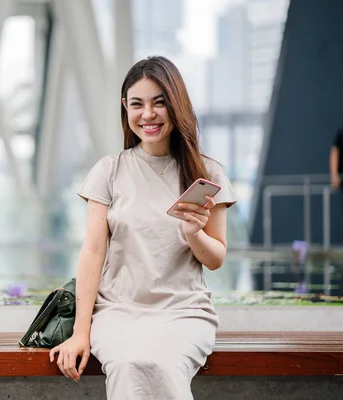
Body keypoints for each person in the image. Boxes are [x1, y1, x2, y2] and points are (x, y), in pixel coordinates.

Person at [49, 56, 236, 399]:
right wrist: (80, 331)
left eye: (159, 103)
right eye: (137, 104)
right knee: (128, 363)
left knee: (164, 364)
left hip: (184, 311)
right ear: (125, 107)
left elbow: (216, 259)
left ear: (176, 105)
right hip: (118, 310)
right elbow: (92, 252)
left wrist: (194, 233)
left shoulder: (207, 174)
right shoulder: (108, 171)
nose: (148, 114)